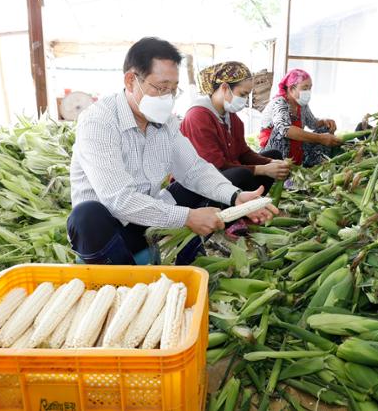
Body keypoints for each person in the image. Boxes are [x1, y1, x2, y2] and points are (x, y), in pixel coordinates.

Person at [68, 37, 277, 266]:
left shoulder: (165, 122)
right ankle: (121, 275)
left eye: (173, 89)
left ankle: (187, 258)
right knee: (86, 215)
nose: (167, 97)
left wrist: (236, 196)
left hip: (148, 219)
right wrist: (187, 217)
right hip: (110, 230)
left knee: (200, 187)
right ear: (131, 81)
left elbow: (194, 169)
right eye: (161, 87)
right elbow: (119, 200)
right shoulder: (99, 122)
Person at [180, 61, 289, 195]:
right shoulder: (198, 116)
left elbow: (243, 153)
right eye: (242, 94)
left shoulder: (231, 116)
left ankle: (250, 205)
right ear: (225, 88)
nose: (244, 100)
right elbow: (215, 165)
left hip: (226, 172)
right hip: (199, 182)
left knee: (274, 155)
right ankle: (242, 207)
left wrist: (271, 162)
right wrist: (262, 169)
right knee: (242, 174)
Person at [259, 69, 342, 167]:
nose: (308, 92)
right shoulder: (279, 102)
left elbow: (313, 123)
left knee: (325, 128)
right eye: (305, 88)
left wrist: (324, 121)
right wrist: (320, 138)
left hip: (296, 147)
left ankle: (315, 163)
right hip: (274, 153)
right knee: (281, 130)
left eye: (310, 88)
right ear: (291, 89)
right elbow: (286, 130)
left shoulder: (301, 104)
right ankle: (282, 167)